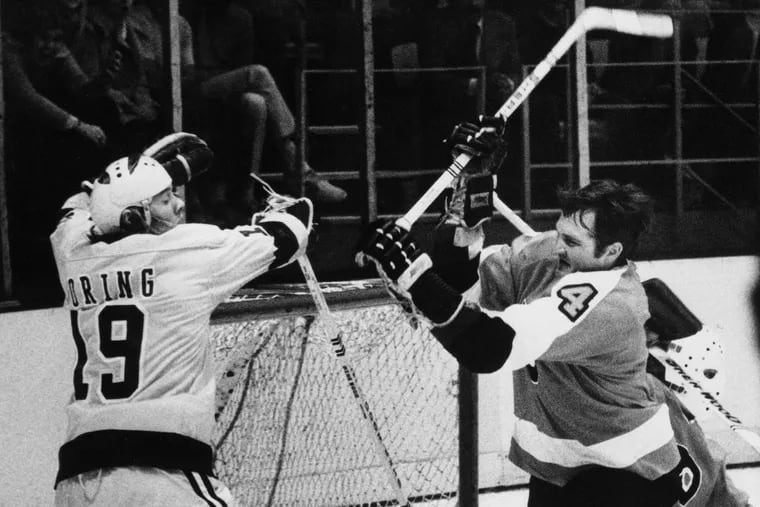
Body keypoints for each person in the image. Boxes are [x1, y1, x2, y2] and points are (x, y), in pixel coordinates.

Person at [357, 117, 749, 506]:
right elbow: (465, 291)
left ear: (612, 252)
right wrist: (468, 198)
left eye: (574, 242)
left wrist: (414, 275)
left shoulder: (610, 304)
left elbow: (487, 347)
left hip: (625, 470)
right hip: (559, 464)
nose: (559, 247)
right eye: (560, 232)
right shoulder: (548, 251)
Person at [50, 133, 313, 505]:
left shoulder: (71, 250)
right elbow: (289, 235)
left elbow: (75, 206)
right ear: (135, 214)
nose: (178, 205)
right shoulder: (187, 250)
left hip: (76, 482)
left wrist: (149, 176)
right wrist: (284, 208)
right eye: (165, 198)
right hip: (162, 475)